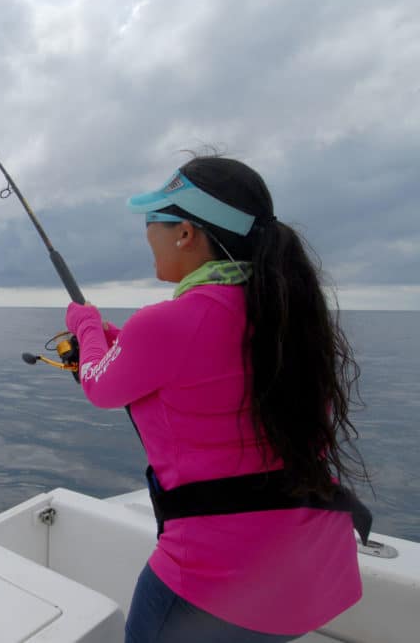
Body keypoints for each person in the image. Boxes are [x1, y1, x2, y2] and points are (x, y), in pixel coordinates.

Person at [64, 156, 370, 642]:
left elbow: (100, 384)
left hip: (216, 589)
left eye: (153, 221)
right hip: (308, 573)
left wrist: (85, 325)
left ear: (185, 233)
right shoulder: (285, 316)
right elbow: (205, 365)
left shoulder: (164, 324)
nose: (147, 235)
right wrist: (119, 340)